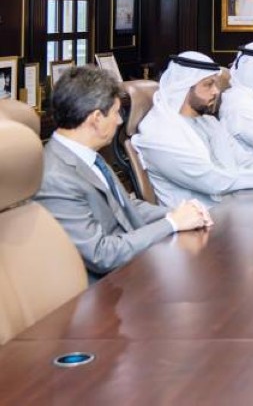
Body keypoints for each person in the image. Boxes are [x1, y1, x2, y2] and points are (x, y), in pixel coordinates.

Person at [35, 65, 212, 282]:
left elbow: (126, 205)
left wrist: (179, 213)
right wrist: (172, 223)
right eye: (116, 112)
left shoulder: (87, 154)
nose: (120, 120)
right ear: (96, 118)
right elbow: (101, 254)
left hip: (132, 267)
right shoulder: (56, 177)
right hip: (106, 288)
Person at [133, 52, 253, 208]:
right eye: (208, 85)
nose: (216, 91)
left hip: (232, 207)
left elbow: (242, 159)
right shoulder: (161, 135)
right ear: (184, 88)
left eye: (215, 84)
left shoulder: (208, 122)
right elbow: (213, 181)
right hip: (198, 223)